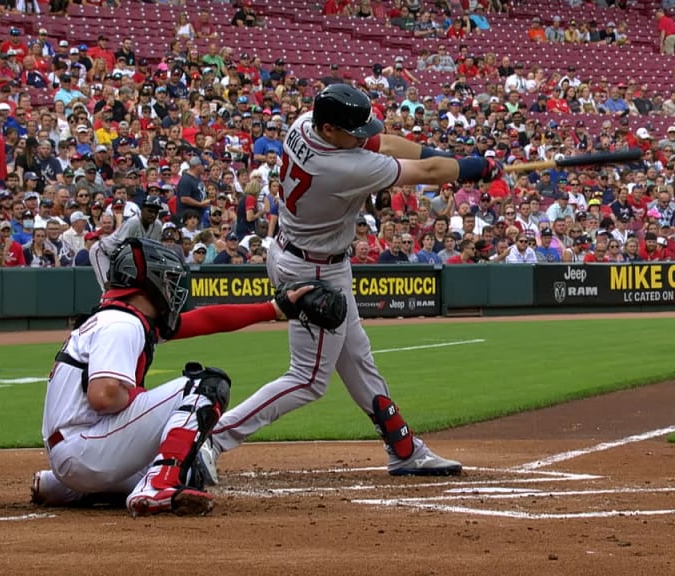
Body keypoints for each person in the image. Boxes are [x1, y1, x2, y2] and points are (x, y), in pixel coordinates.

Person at [199, 84, 505, 483]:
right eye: (353, 132)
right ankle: (210, 438)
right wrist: (474, 169)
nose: (362, 138)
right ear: (329, 129)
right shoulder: (345, 167)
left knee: (358, 359)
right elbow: (427, 173)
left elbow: (388, 142)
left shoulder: (303, 124)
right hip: (314, 272)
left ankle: (404, 449)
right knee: (307, 379)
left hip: (300, 255)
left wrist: (454, 160)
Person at [30, 238, 317, 515]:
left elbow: (206, 320)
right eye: (165, 280)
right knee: (205, 387)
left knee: (189, 473)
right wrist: (147, 401)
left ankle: (64, 488)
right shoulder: (121, 324)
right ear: (147, 284)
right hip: (85, 450)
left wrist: (274, 309)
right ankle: (156, 486)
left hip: (78, 453)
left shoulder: (120, 318)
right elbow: (103, 396)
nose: (170, 289)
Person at [89, 195, 165, 290]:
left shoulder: (157, 225)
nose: (153, 215)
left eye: (156, 212)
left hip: (119, 257)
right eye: (150, 211)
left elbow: (153, 250)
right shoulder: (133, 223)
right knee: (109, 288)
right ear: (142, 210)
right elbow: (121, 248)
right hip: (103, 252)